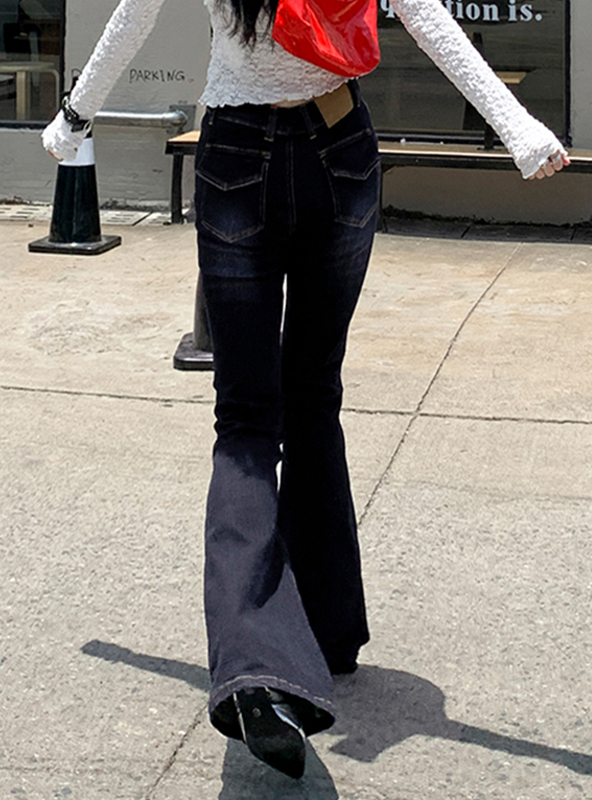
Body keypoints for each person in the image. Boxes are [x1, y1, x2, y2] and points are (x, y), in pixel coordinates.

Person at [43, 0, 569, 780]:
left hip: (236, 156)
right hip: (339, 149)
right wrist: (518, 129)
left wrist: (74, 115)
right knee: (315, 396)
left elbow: (132, 17)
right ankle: (326, 628)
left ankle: (257, 665)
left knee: (246, 421)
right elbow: (426, 16)